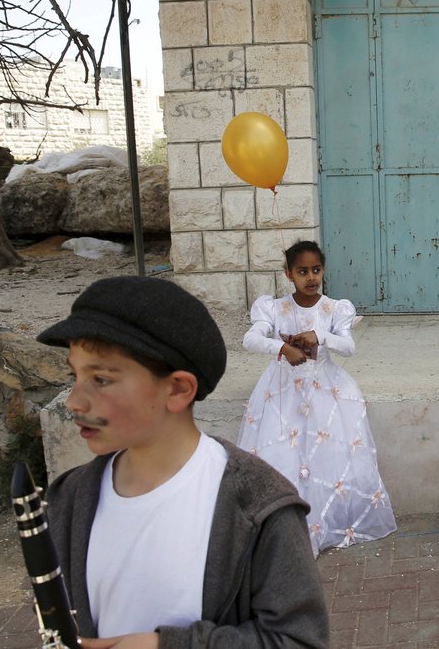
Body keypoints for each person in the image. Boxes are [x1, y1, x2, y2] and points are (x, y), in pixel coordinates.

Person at [37, 276, 329, 648]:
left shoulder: (259, 505)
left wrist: (166, 646)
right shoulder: (69, 499)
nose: (74, 401)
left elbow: (299, 640)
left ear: (177, 389)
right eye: (73, 375)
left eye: (100, 379)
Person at [238, 240, 397, 555]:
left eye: (316, 270)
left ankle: (326, 522)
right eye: (302, 271)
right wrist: (282, 348)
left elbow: (348, 347)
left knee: (325, 458)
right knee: (287, 455)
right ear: (288, 274)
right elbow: (250, 339)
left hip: (327, 392)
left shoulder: (334, 308)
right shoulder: (274, 308)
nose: (311, 277)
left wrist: (320, 336)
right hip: (281, 394)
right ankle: (287, 530)